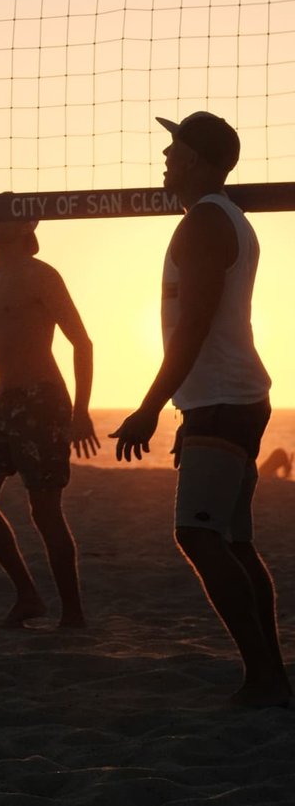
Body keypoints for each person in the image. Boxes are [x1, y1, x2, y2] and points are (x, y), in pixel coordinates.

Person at [113, 112, 289, 707]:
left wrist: (149, 408)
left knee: (197, 535)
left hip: (224, 399)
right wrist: (186, 412)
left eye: (175, 146)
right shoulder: (213, 219)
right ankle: (270, 674)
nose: (165, 154)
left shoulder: (207, 222)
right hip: (222, 398)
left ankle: (265, 675)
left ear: (199, 159)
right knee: (234, 541)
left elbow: (194, 327)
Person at [0, 220, 97, 628]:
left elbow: (81, 341)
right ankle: (28, 596)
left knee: (44, 512)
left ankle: (73, 614)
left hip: (41, 399)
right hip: (2, 399)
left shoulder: (41, 274)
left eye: (5, 213)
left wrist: (81, 412)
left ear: (26, 224)